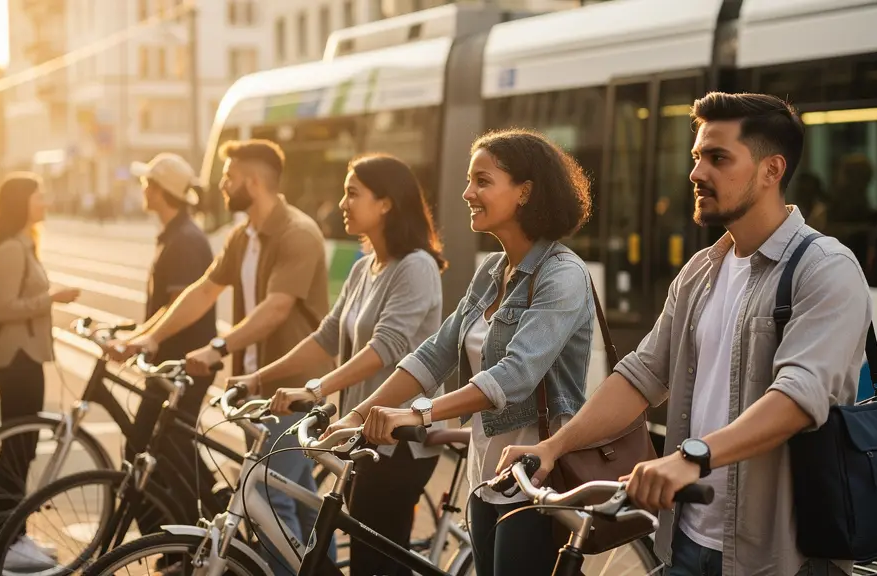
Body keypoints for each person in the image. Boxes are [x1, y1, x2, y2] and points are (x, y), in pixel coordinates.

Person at [499, 92, 871, 576]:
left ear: (771, 170)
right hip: (684, 541)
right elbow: (640, 376)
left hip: (776, 557)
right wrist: (555, 446)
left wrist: (692, 458)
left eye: (718, 158)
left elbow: (800, 397)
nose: (696, 173)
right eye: (697, 157)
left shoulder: (825, 268)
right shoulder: (702, 270)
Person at [323, 128, 595, 576]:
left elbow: (516, 374)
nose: (467, 192)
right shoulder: (492, 270)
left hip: (536, 480)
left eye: (482, 181)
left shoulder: (562, 274)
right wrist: (358, 416)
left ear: (525, 191)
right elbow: (435, 354)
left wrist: (418, 414)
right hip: (484, 474)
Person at [111, 139, 333, 572]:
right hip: (259, 391)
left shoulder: (297, 233)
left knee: (271, 507)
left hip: (293, 390)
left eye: (229, 177)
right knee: (298, 504)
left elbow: (277, 308)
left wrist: (217, 348)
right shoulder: (241, 236)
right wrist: (147, 338)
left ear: (253, 181)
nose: (221, 185)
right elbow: (204, 291)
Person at [229, 153, 447, 576]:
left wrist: (315, 391)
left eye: (352, 193)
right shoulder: (365, 266)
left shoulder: (416, 266)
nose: (342, 203)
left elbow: (385, 348)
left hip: (398, 440)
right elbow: (326, 336)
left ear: (385, 203)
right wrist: (261, 377)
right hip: (362, 434)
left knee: (375, 565)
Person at [110, 153, 218, 533]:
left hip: (183, 365)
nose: (142, 188)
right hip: (170, 364)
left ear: (160, 191)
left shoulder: (186, 242)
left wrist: (139, 341)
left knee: (149, 449)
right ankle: (181, 536)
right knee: (165, 450)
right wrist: (138, 339)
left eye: (146, 183)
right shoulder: (176, 235)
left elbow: (177, 308)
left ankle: (176, 542)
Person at [0, 173, 81, 570]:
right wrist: (51, 297)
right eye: (38, 196)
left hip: (26, 357)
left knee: (22, 449)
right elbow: (2, 308)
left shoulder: (24, 244)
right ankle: (10, 541)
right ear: (21, 202)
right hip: (16, 359)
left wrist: (45, 297)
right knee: (16, 449)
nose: (44, 202)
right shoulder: (9, 249)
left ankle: (17, 534)